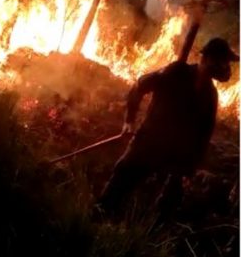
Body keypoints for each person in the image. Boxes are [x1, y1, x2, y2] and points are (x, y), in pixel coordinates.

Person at [98, 37, 238, 221]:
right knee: (118, 186)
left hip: (174, 160)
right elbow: (140, 85)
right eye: (222, 61)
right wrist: (129, 121)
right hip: (147, 145)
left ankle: (136, 239)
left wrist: (189, 169)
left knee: (162, 211)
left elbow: (203, 135)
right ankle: (96, 223)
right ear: (207, 58)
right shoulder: (177, 71)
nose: (226, 67)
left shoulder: (211, 95)